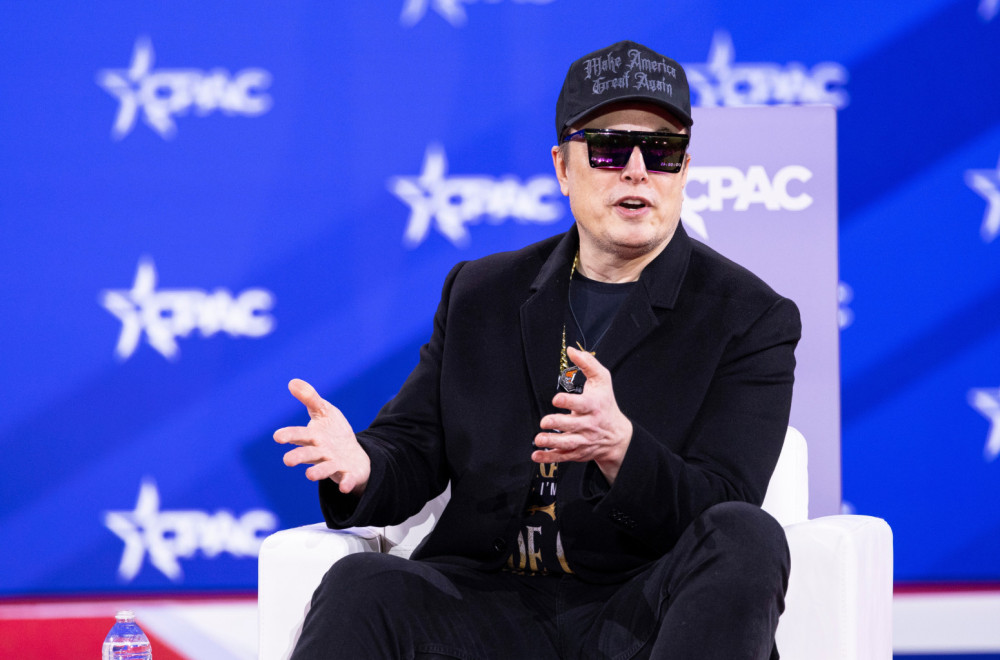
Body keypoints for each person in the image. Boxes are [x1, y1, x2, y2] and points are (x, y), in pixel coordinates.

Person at [274, 39, 801, 660]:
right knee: (361, 584)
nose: (637, 170)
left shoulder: (749, 316)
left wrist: (621, 450)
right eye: (609, 148)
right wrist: (364, 465)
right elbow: (414, 444)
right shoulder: (482, 292)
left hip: (638, 610)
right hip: (489, 603)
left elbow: (721, 507)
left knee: (747, 535)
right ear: (562, 167)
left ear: (684, 171)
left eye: (661, 151)